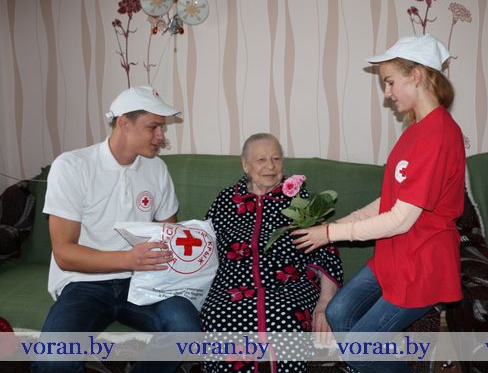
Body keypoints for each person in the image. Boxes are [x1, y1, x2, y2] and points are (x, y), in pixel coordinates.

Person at [293, 35, 465, 373]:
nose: (387, 93)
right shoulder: (415, 131)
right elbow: (389, 201)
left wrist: (329, 234)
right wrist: (336, 226)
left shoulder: (439, 135)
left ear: (416, 75)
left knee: (359, 350)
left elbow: (401, 218)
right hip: (397, 254)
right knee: (338, 312)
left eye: (390, 82)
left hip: (421, 265)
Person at [34, 86, 202, 373]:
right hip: (83, 283)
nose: (161, 136)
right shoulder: (72, 166)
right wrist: (128, 259)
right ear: (124, 123)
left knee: (186, 328)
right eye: (153, 127)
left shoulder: (157, 169)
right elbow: (64, 254)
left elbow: (168, 235)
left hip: (142, 282)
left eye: (162, 128)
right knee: (54, 361)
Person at [200, 133, 343, 373]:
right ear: (245, 165)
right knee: (218, 314)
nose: (270, 166)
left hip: (291, 286)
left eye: (276, 158)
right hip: (232, 286)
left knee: (286, 315)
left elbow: (327, 251)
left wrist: (325, 303)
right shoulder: (226, 200)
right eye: (261, 160)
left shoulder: (300, 200)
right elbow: (204, 243)